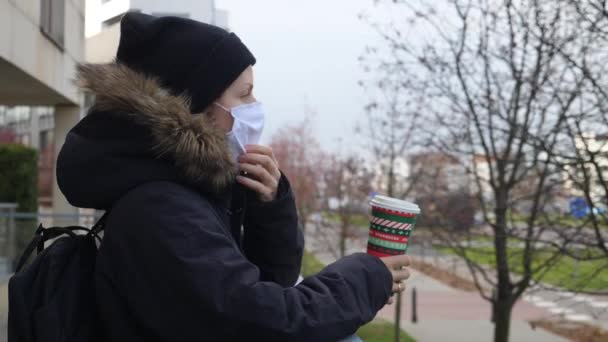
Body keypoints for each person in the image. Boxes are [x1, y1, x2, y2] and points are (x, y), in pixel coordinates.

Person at [56, 12, 411, 342]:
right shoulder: (160, 210)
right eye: (245, 94)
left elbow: (273, 284)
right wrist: (367, 276)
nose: (256, 105)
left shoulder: (188, 193)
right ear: (197, 109)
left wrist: (268, 204)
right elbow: (270, 322)